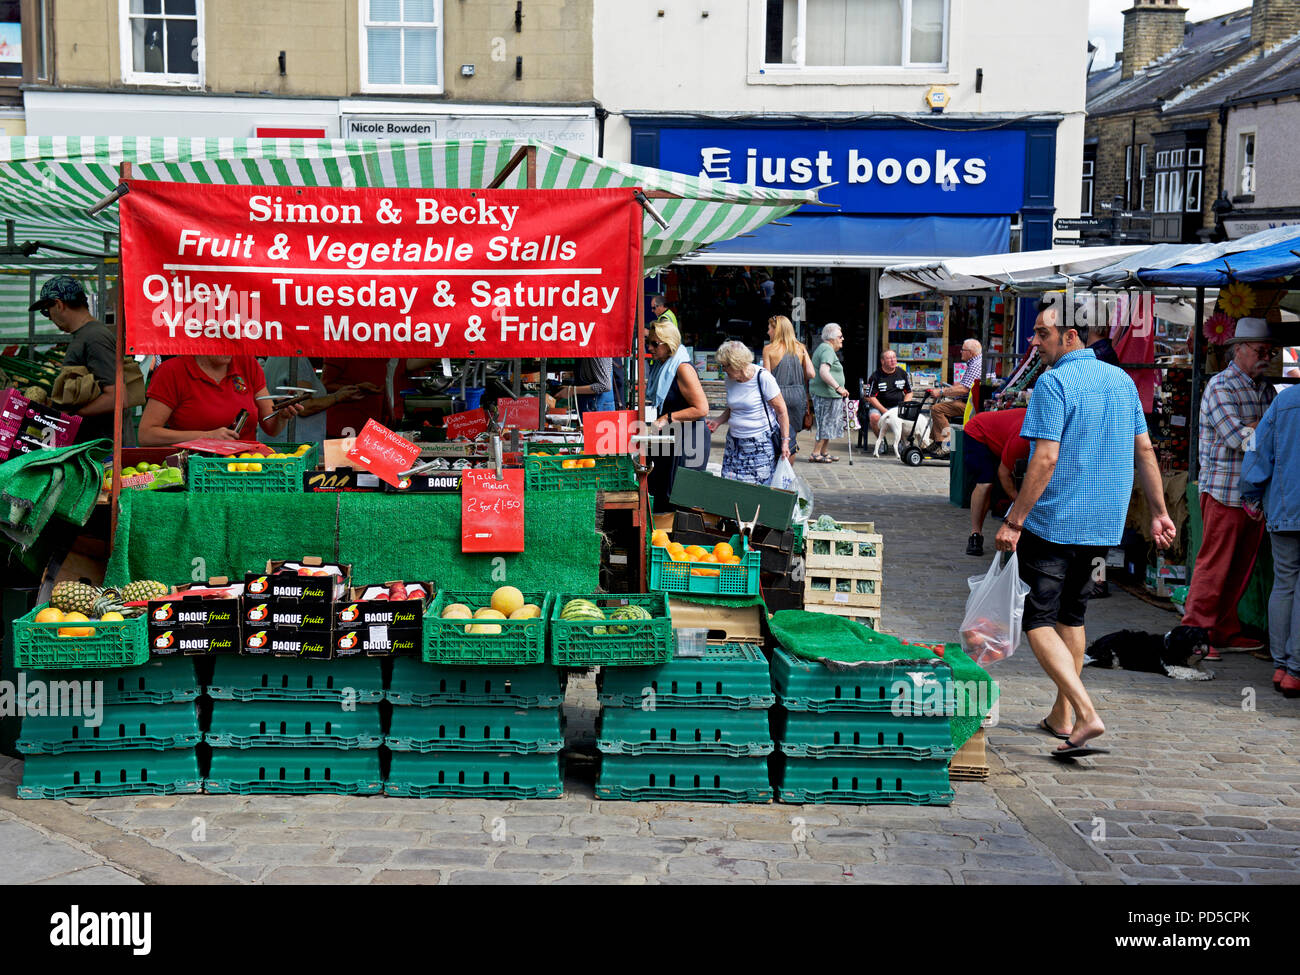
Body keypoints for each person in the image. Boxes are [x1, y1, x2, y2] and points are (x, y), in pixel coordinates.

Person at [995, 301, 1175, 759]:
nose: (1034, 342)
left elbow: (1045, 458)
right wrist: (1159, 511)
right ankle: (1062, 716)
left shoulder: (1053, 383)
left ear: (1071, 335)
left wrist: (1015, 519)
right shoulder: (1121, 381)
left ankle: (1086, 712)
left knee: (1034, 619)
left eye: (1042, 333)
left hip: (1054, 522)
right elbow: (1146, 452)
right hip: (1103, 528)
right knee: (1071, 617)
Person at [1181, 318, 1278, 658]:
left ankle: (1222, 629)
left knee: (1240, 568)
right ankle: (1195, 631)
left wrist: (1257, 429)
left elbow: (1263, 437)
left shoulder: (1265, 389)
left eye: (1269, 350)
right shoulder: (1221, 387)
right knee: (1215, 564)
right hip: (1223, 490)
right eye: (1260, 350)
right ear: (1239, 350)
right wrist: (1261, 430)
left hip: (1253, 495)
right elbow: (1240, 438)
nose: (1266, 356)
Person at [1241, 378, 1300, 697]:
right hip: (1286, 505)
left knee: (1285, 582)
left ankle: (1282, 666)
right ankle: (1295, 669)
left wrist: (1251, 493)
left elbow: (1257, 450)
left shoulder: (1285, 401)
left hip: (1285, 506)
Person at [29, 276, 123, 445]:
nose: (48, 317)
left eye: (46, 310)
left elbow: (116, 395)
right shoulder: (85, 335)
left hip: (101, 449)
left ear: (58, 304)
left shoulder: (95, 337)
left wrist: (70, 416)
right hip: (91, 445)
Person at [138, 355, 302, 446]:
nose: (228, 347)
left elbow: (271, 427)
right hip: (196, 471)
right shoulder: (172, 371)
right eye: (219, 339)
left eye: (233, 339)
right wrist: (206, 437)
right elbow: (147, 435)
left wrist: (282, 414)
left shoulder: (247, 364)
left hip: (246, 469)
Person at [646, 321, 709, 511]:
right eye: (649, 342)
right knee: (660, 489)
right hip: (671, 437)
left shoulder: (682, 368)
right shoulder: (662, 366)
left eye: (655, 344)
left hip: (691, 439)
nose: (650, 348)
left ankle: (677, 538)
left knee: (680, 498)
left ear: (669, 344)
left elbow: (701, 408)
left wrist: (667, 417)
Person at [709, 340, 791, 485]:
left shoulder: (763, 378)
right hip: (734, 443)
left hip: (759, 444)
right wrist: (718, 421)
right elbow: (734, 407)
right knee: (730, 484)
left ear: (737, 363)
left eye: (725, 366)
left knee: (756, 488)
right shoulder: (730, 380)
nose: (723, 370)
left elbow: (782, 411)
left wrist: (785, 441)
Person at [962, 407, 1032, 557]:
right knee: (986, 482)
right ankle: (975, 534)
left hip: (1001, 438)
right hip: (978, 432)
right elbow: (1004, 473)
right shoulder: (1022, 439)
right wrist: (1020, 503)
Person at [258, 357, 364, 445]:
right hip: (294, 447)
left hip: (279, 443)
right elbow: (304, 405)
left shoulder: (275, 357)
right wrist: (338, 397)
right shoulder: (298, 360)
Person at [761, 315, 813, 457]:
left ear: (776, 330)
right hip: (798, 395)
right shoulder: (800, 348)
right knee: (791, 438)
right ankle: (787, 473)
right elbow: (811, 373)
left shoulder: (769, 349)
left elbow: (766, 377)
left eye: (769, 328)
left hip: (777, 394)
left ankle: (776, 469)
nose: (768, 332)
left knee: (777, 435)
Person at [929, 339, 984, 457]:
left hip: (970, 405)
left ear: (971, 352)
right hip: (968, 401)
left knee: (937, 409)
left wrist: (942, 392)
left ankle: (948, 445)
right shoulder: (975, 362)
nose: (960, 352)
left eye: (963, 350)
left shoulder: (976, 365)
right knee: (941, 408)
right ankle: (937, 442)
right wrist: (950, 389)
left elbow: (964, 389)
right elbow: (963, 385)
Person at [808, 323, 850, 463]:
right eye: (840, 336)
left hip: (828, 394)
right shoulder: (827, 350)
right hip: (825, 394)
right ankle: (815, 453)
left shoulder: (826, 349)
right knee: (825, 423)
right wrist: (839, 388)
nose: (842, 338)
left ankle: (823, 452)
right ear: (831, 338)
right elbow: (823, 372)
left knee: (830, 423)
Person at [864, 349, 913, 443]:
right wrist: (885, 411)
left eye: (894, 357)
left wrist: (903, 406)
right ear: (882, 361)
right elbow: (871, 397)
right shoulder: (876, 376)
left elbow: (909, 392)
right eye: (889, 358)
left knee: (907, 417)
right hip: (880, 407)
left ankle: (902, 442)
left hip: (898, 407)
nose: (893, 360)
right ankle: (881, 441)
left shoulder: (902, 373)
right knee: (874, 417)